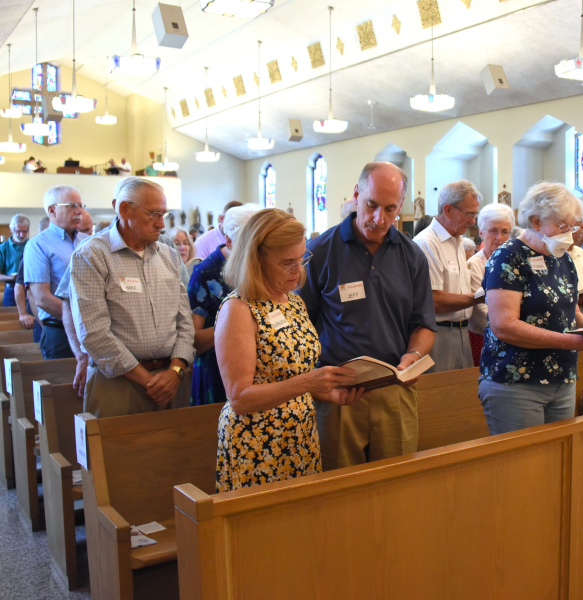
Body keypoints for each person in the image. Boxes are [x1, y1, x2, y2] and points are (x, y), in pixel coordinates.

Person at [215, 209, 364, 491]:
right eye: (287, 263)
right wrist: (308, 382)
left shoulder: (293, 303)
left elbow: (294, 374)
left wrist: (330, 392)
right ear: (255, 259)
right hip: (256, 441)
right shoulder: (238, 309)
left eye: (302, 258)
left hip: (299, 434)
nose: (298, 271)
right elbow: (239, 398)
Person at [302, 162, 436, 469]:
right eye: (371, 205)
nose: (379, 219)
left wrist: (414, 355)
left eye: (390, 209)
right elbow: (301, 327)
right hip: (339, 396)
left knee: (396, 488)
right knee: (339, 491)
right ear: (355, 194)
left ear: (401, 206)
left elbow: (424, 324)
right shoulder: (319, 251)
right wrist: (316, 384)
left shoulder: (412, 255)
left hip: (394, 391)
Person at [479, 182, 583, 435]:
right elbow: (504, 326)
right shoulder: (508, 256)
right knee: (525, 468)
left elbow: (569, 309)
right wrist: (571, 341)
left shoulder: (562, 258)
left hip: (562, 378)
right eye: (563, 226)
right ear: (536, 222)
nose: (570, 234)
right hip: (516, 381)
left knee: (558, 463)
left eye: (572, 226)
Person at [70, 178, 194, 416]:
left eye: (164, 215)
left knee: (175, 451)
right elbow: (94, 333)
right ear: (124, 208)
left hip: (172, 381)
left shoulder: (168, 255)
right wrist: (148, 380)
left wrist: (175, 372)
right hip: (119, 384)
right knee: (116, 453)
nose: (161, 223)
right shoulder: (92, 255)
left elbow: (185, 322)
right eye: (153, 214)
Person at [188, 204, 260, 406]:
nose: (257, 248)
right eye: (249, 241)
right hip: (216, 373)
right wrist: (237, 327)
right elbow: (194, 341)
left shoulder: (259, 267)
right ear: (229, 241)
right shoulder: (206, 273)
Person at [413, 180, 482, 373]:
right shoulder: (427, 243)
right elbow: (433, 301)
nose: (473, 221)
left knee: (461, 399)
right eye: (469, 214)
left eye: (475, 214)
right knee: (439, 398)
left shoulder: (459, 242)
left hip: (462, 332)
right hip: (437, 334)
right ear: (449, 210)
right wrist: (479, 297)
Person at [23, 186, 89, 359]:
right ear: (52, 209)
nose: (79, 211)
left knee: (95, 385)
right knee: (66, 384)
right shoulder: (38, 244)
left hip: (92, 330)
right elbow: (41, 298)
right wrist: (79, 321)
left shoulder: (88, 242)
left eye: (81, 205)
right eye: (72, 205)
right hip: (60, 332)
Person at [467, 203, 514, 367]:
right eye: (493, 231)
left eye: (505, 232)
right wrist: (509, 328)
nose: (499, 238)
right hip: (484, 335)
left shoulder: (515, 264)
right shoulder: (474, 265)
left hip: (513, 335)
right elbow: (479, 308)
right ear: (481, 232)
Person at [0, 215, 29, 307]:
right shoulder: (3, 248)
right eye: (18, 231)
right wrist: (11, 278)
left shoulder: (32, 245)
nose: (22, 235)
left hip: (30, 290)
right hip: (11, 290)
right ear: (11, 229)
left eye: (25, 231)